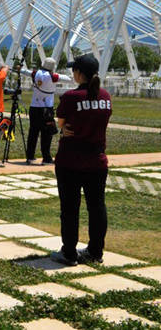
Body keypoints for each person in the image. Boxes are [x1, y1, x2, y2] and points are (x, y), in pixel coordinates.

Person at [50, 54, 112, 266]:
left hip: (70, 161)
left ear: (78, 73)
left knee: (69, 208)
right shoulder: (105, 96)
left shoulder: (71, 97)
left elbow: (61, 123)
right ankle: (95, 251)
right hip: (97, 160)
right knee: (97, 207)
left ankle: (69, 252)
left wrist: (65, 129)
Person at [22, 57, 72, 165]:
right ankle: (46, 157)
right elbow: (68, 79)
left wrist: (20, 69)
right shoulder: (53, 76)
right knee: (46, 133)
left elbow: (26, 72)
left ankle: (30, 157)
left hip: (34, 107)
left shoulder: (36, 73)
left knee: (33, 133)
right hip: (46, 109)